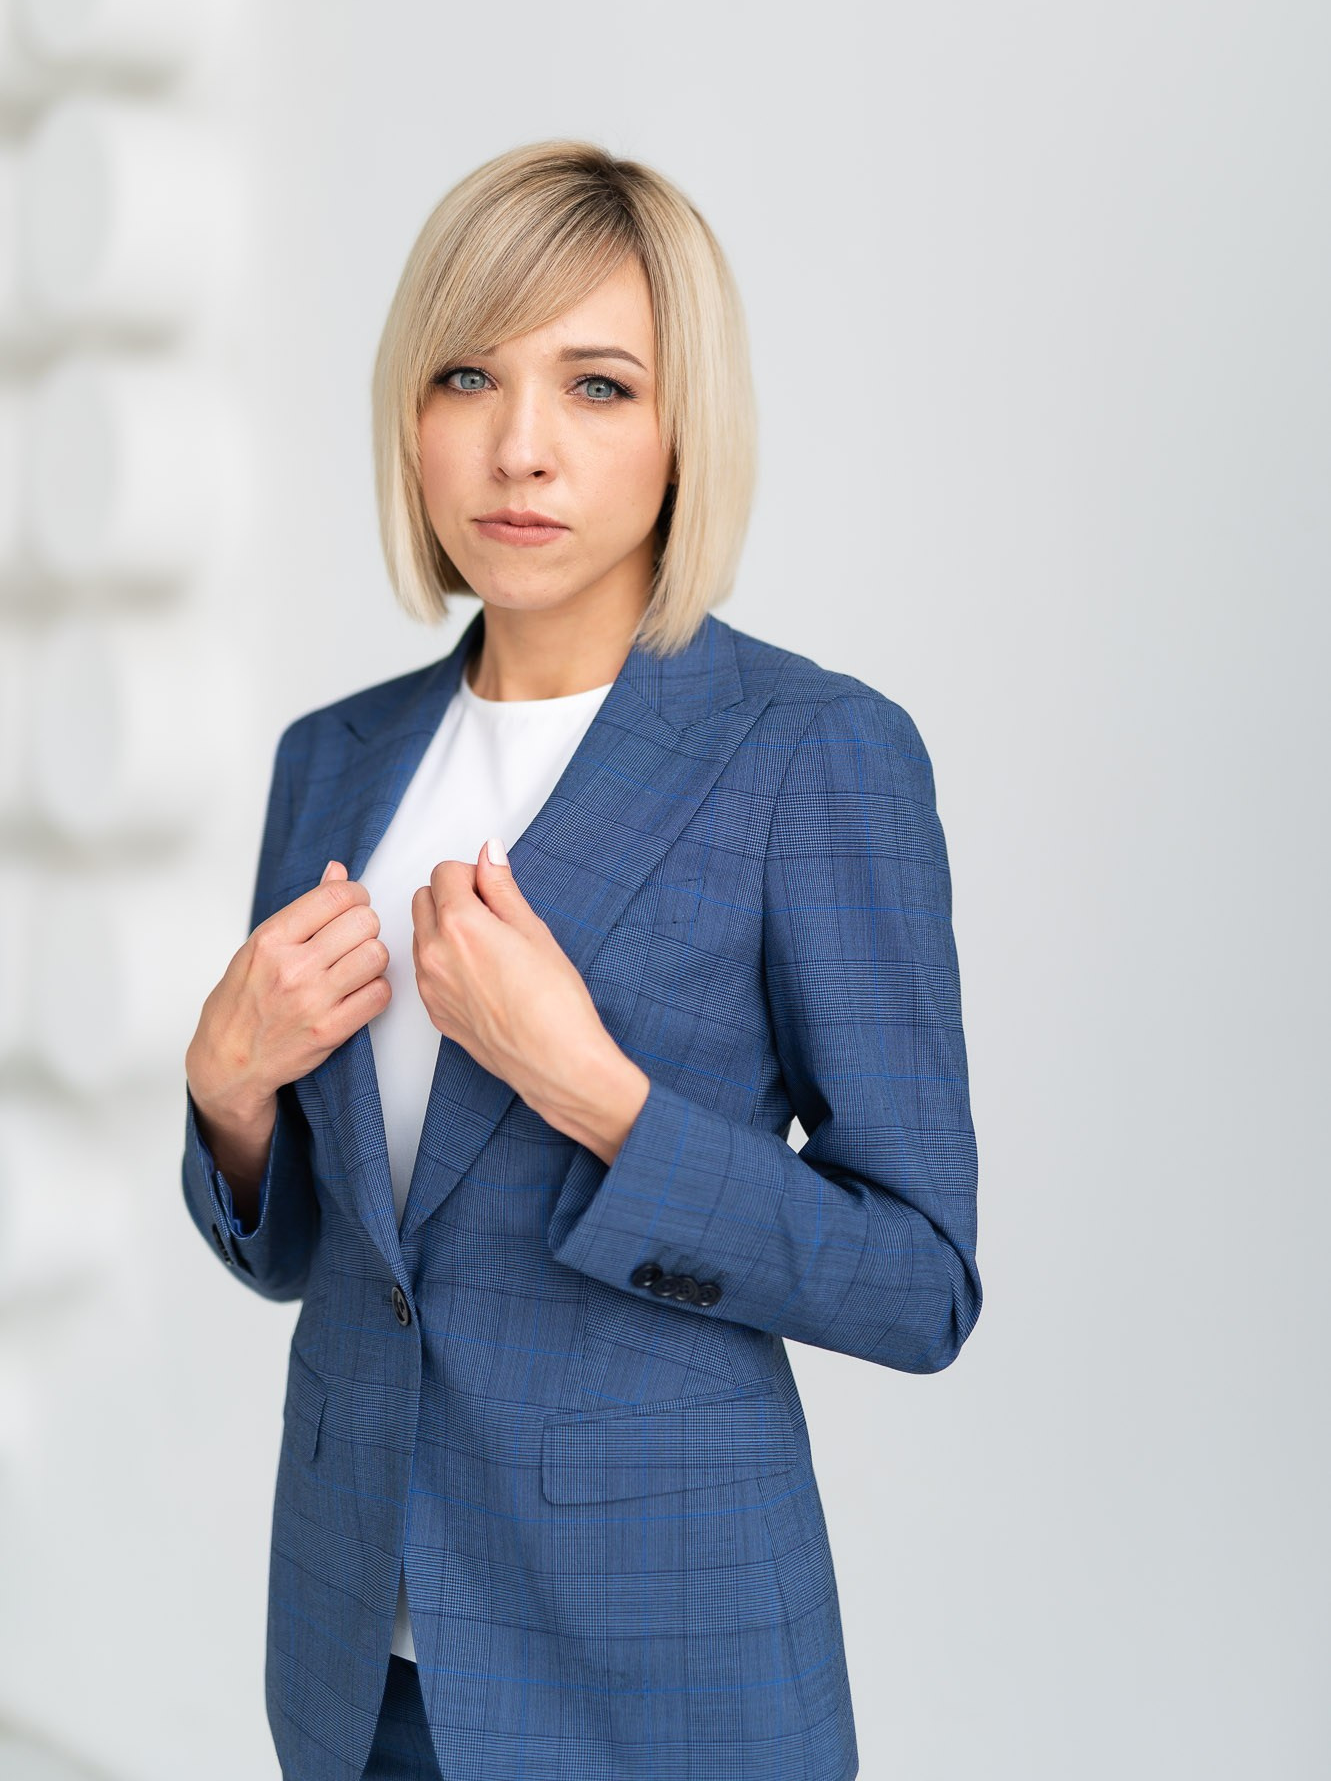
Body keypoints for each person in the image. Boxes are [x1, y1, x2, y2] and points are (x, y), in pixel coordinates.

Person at [181, 138, 983, 1781]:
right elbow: (317, 1261)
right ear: (410, 413)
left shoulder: (808, 755)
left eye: (599, 385)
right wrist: (229, 1093)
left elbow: (920, 1282)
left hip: (659, 1680)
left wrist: (596, 1093)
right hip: (354, 1668)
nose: (520, 445)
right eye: (467, 375)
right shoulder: (332, 762)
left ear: (688, 430)